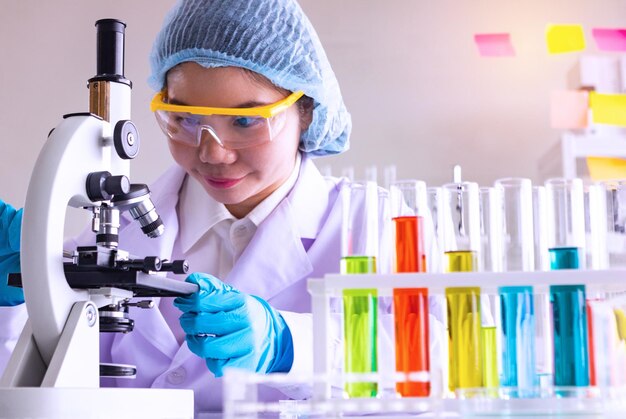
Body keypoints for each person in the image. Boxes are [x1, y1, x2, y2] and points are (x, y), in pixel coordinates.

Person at [0, 0, 365, 414]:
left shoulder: (369, 224)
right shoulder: (117, 229)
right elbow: (41, 384)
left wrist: (288, 344)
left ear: (306, 110)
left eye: (245, 121)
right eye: (185, 119)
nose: (212, 153)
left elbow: (433, 359)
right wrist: (15, 301)